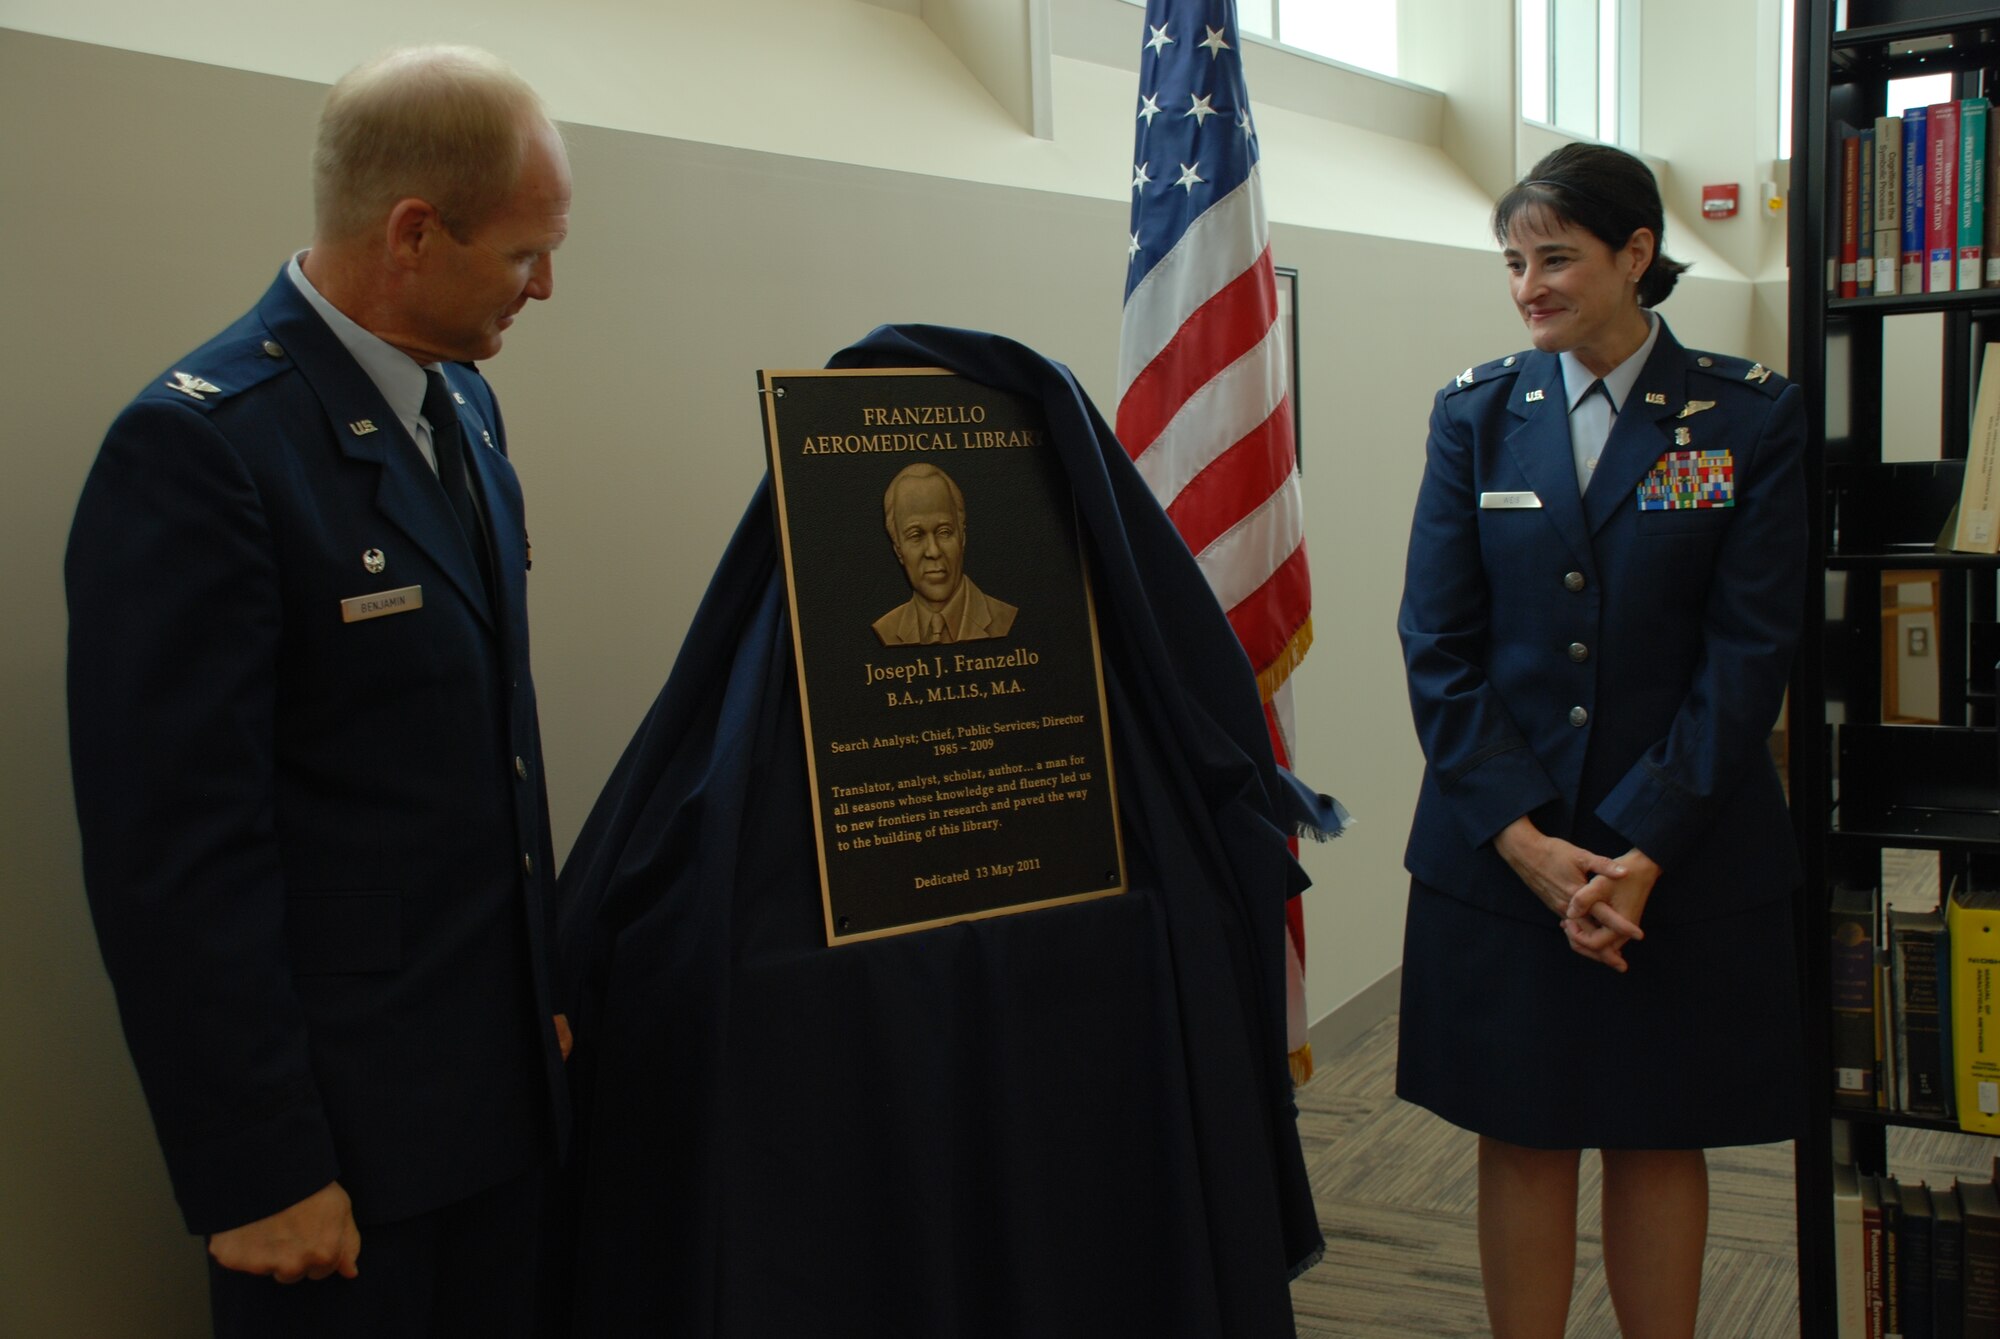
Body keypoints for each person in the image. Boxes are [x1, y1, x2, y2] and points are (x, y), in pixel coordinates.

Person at [65, 45, 572, 1336]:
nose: (546, 287)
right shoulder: (203, 450)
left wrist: (536, 1002)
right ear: (414, 232)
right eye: (523, 254)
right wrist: (262, 1166)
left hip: (494, 1122)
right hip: (338, 1175)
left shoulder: (463, 408)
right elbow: (175, 855)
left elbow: (479, 759)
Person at [1395, 142, 1806, 1339]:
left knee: (1653, 1124)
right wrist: (1522, 841)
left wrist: (1639, 845)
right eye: (1512, 261)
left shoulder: (1745, 416)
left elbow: (1747, 653)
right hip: (1499, 849)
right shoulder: (1474, 415)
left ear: (1635, 255)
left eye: (1554, 258)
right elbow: (1436, 640)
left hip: (1678, 850)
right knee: (1520, 1128)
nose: (1526, 284)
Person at [872, 461, 1019, 644]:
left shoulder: (1002, 618)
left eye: (944, 532)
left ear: (962, 538)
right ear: (898, 549)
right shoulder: (887, 629)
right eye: (916, 535)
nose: (933, 551)